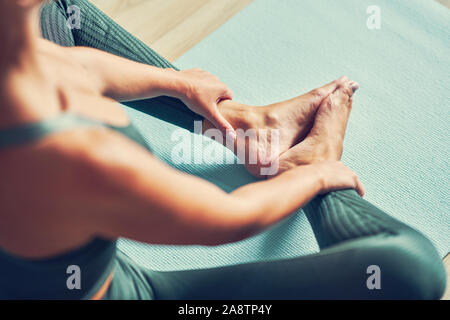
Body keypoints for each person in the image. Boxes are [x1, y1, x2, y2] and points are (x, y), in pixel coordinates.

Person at [0, 0, 445, 300]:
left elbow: (67, 63)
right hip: (123, 290)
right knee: (409, 270)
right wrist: (316, 175)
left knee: (59, 11)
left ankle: (249, 126)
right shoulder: (73, 155)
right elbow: (225, 218)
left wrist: (179, 84)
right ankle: (307, 162)